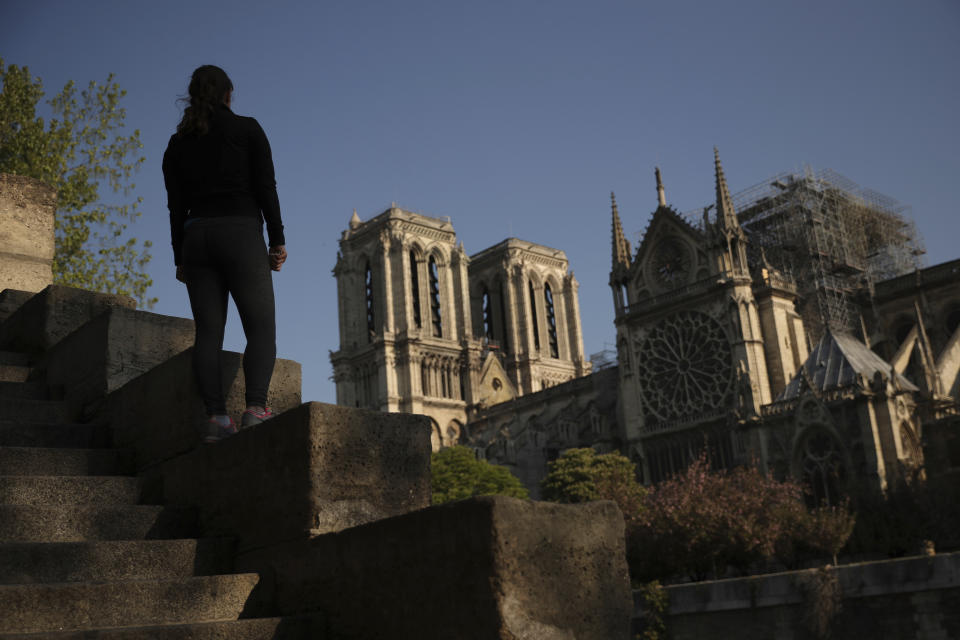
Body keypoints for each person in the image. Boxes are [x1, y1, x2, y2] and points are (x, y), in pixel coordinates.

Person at [162, 65, 287, 443]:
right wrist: (277, 239)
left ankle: (216, 418)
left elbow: (175, 205)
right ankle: (255, 408)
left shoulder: (177, 144)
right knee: (261, 326)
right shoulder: (247, 129)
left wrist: (178, 256)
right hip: (239, 233)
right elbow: (267, 187)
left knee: (209, 332)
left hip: (195, 238)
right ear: (228, 94)